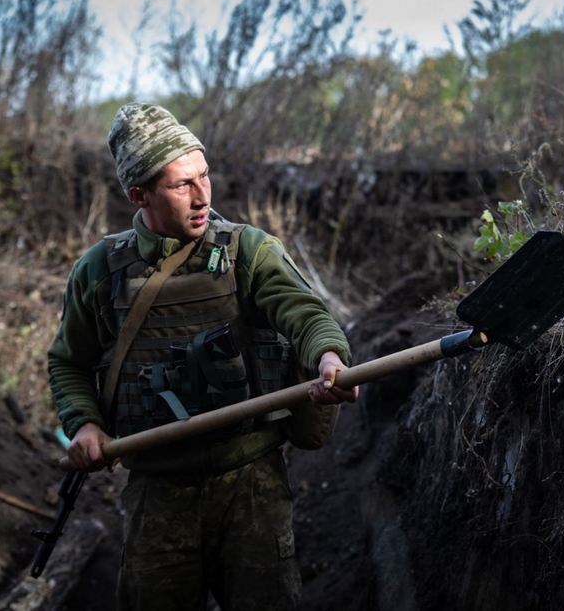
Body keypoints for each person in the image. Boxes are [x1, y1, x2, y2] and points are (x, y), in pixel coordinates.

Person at [46, 102, 357, 610]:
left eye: (204, 175)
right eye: (181, 185)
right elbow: (69, 361)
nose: (202, 196)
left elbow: (303, 313)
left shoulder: (247, 252)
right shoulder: (99, 271)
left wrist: (328, 355)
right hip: (157, 492)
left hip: (250, 484)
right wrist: (84, 423)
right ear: (139, 195)